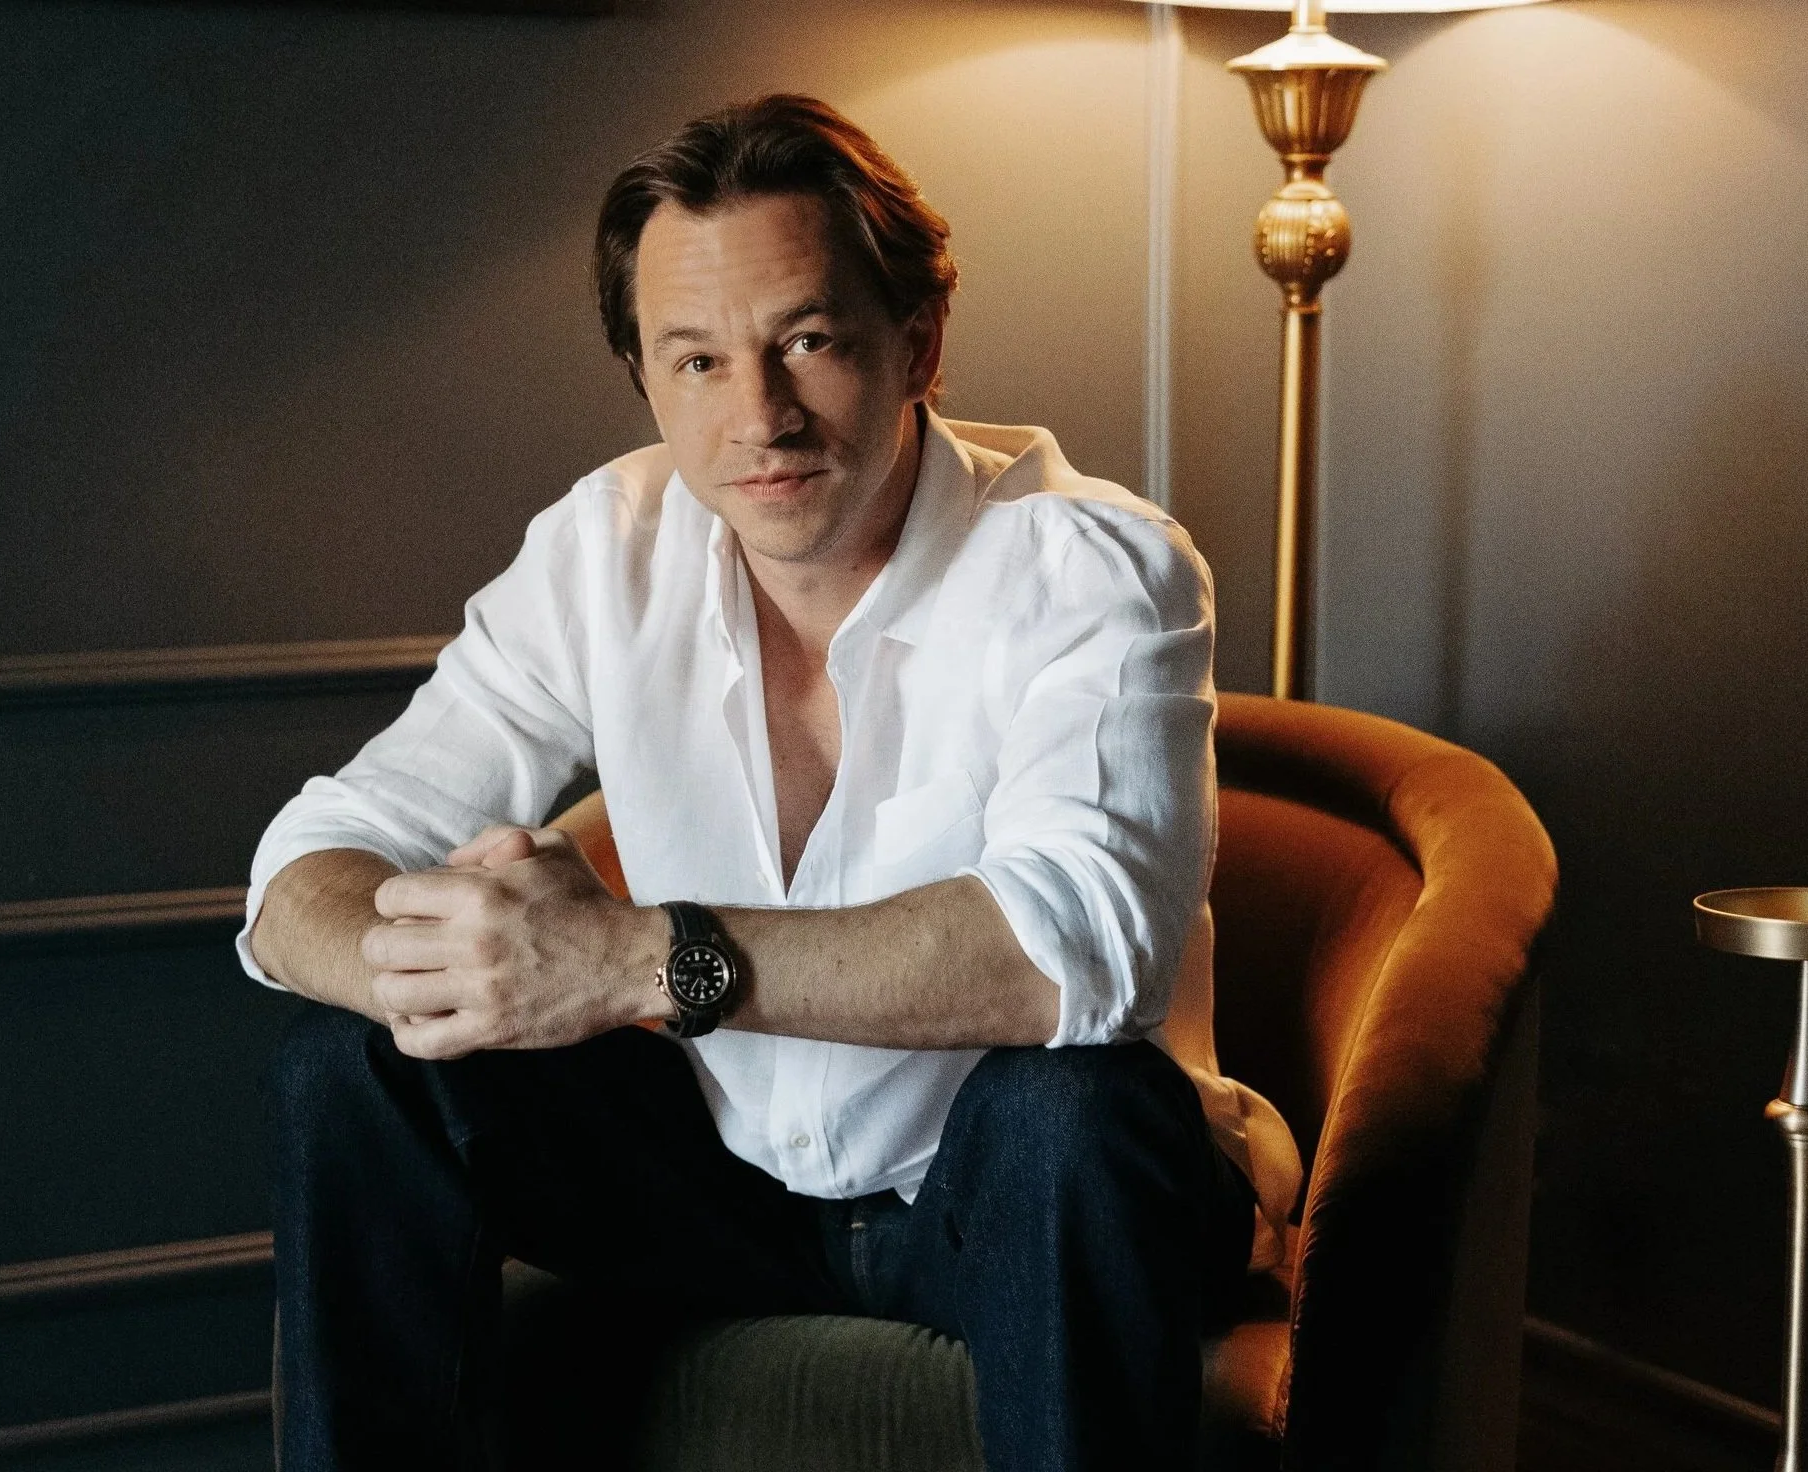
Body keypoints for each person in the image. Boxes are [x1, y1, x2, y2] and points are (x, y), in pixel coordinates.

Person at [244, 93, 1299, 1472]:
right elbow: (309, 863)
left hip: (1010, 1200)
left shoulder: (1090, 566)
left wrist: (625, 961)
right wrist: (467, 969)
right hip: (716, 1186)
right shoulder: (604, 548)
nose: (760, 416)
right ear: (644, 378)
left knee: (1072, 1110)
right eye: (696, 361)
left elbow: (1069, 951)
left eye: (808, 340)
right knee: (358, 1061)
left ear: (918, 341)